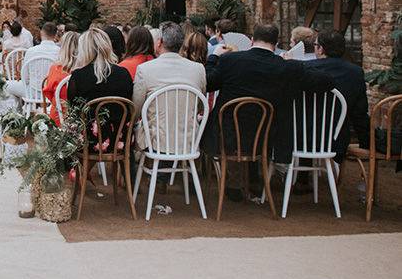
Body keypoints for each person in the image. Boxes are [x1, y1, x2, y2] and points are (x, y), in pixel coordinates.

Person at [204, 23, 332, 199]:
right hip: (267, 136)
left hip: (227, 135)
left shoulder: (229, 60)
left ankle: (236, 184)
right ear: (276, 43)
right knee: (254, 126)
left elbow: (208, 83)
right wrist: (293, 63)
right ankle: (255, 183)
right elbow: (326, 81)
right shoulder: (285, 67)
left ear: (251, 40)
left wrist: (214, 58)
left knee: (237, 124)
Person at [132, 22, 207, 151]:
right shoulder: (198, 69)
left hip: (156, 142)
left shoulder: (145, 69)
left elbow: (135, 109)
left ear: (160, 42)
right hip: (187, 141)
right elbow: (200, 105)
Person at [304, 30, 370, 160]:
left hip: (302, 137)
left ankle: (302, 176)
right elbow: (360, 112)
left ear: (321, 49)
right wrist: (365, 142)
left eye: (315, 45)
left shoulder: (306, 68)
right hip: (337, 139)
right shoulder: (355, 72)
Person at [66, 28, 133, 146]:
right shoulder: (124, 73)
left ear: (84, 50)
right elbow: (129, 104)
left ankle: (77, 164)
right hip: (119, 139)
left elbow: (73, 109)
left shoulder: (78, 76)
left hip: (89, 141)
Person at [4, 22, 60, 99]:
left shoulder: (31, 51)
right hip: (53, 93)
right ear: (55, 35)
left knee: (5, 85)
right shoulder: (60, 52)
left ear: (41, 33)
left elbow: (24, 77)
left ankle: (17, 109)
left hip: (32, 92)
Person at [43, 31, 79, 126]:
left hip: (59, 117)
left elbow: (48, 92)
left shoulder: (55, 69)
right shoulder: (84, 71)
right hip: (80, 118)